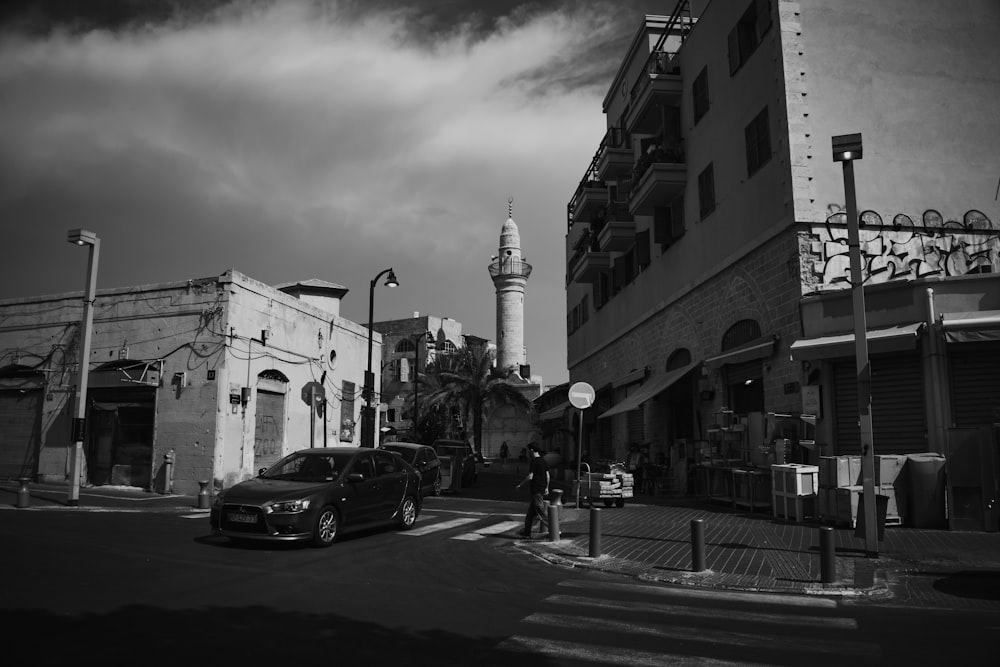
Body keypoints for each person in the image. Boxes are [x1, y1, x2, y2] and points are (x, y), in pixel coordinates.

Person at [516, 443, 549, 538]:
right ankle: (527, 532)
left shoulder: (534, 462)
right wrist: (546, 487)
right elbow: (547, 475)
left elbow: (531, 476)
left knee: (540, 511)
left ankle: (554, 528)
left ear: (531, 450)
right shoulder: (543, 461)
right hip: (541, 489)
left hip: (536, 489)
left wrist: (520, 485)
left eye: (528, 451)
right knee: (530, 514)